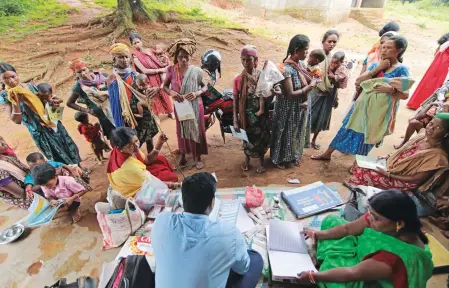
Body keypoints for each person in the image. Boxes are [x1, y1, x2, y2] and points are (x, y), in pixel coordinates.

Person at [297, 190, 433, 287]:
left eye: (376, 218)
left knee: (331, 275)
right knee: (331, 220)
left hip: (364, 273)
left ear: (400, 224)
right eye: (370, 212)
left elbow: (351, 273)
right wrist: (316, 234)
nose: (369, 219)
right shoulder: (386, 221)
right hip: (364, 252)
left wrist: (312, 276)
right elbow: (348, 229)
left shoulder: (395, 258)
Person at [152, 172, 263, 288]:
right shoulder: (229, 235)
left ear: (183, 200)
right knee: (255, 259)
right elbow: (243, 268)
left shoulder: (161, 222)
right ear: (212, 202)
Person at [312, 36, 410, 161]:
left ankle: (357, 163)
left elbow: (405, 94)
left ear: (399, 50)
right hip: (361, 105)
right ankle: (327, 154)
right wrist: (378, 68)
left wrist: (391, 91)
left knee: (367, 135)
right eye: (383, 47)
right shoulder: (375, 65)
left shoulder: (402, 70)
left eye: (388, 48)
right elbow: (359, 80)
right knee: (347, 128)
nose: (384, 50)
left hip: (379, 111)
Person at [0, 62, 81, 165]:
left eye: (13, 76)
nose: (11, 81)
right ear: (1, 80)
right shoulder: (5, 96)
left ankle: (80, 169)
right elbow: (17, 120)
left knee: (68, 146)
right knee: (55, 154)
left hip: (53, 123)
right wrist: (15, 102)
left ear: (17, 74)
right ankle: (70, 175)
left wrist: (53, 102)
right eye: (6, 79)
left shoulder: (31, 87)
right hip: (39, 131)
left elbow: (50, 102)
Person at [347, 114, 449, 191]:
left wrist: (389, 175)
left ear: (446, 134)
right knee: (359, 162)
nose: (431, 128)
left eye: (439, 128)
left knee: (365, 171)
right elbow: (402, 152)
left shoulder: (437, 156)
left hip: (403, 180)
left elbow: (416, 180)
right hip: (392, 167)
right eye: (431, 124)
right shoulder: (422, 136)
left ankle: (359, 191)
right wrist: (387, 157)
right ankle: (361, 185)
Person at [270, 35, 317, 169]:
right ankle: (279, 159)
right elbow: (290, 94)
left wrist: (310, 86)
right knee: (284, 132)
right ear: (297, 50)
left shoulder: (300, 65)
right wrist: (309, 87)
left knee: (295, 133)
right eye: (306, 50)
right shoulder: (287, 69)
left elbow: (306, 81)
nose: (307, 53)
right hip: (287, 108)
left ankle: (292, 156)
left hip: (298, 107)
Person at [163, 38, 209, 169]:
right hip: (180, 105)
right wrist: (171, 92)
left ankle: (197, 157)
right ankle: (183, 154)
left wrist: (196, 93)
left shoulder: (196, 71)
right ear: (176, 57)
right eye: (181, 57)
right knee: (181, 129)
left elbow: (205, 87)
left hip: (195, 105)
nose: (184, 60)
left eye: (186, 57)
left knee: (196, 129)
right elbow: (165, 87)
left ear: (190, 57)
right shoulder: (171, 70)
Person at [107, 43, 159, 151]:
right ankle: (138, 161)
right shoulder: (112, 80)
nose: (125, 60)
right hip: (129, 116)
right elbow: (115, 104)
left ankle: (151, 156)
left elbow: (144, 89)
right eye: (120, 57)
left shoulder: (134, 74)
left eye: (126, 57)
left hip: (142, 112)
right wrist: (120, 125)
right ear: (114, 59)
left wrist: (152, 91)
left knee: (149, 136)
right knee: (133, 141)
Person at [107, 127, 179, 203]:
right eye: (130, 145)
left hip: (138, 175)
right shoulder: (128, 167)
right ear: (119, 148)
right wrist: (175, 185)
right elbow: (152, 183)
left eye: (136, 141)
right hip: (137, 190)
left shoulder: (127, 149)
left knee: (160, 159)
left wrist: (159, 143)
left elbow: (146, 160)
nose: (136, 146)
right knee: (171, 177)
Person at [233, 45, 271, 173]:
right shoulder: (238, 80)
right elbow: (236, 101)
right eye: (243, 60)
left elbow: (267, 94)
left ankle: (260, 161)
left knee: (261, 137)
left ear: (256, 60)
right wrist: (235, 120)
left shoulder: (262, 76)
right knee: (247, 137)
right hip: (246, 116)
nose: (245, 63)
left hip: (261, 115)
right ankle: (247, 159)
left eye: (248, 59)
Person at [309, 48, 349, 149]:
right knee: (311, 116)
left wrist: (336, 99)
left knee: (322, 118)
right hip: (319, 93)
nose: (334, 65)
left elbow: (336, 82)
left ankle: (313, 140)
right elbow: (320, 78)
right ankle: (305, 139)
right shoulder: (325, 64)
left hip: (330, 96)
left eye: (336, 63)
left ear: (341, 62)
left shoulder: (343, 70)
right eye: (333, 62)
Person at [66, 58, 115, 140]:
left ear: (88, 68)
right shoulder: (79, 87)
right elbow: (69, 103)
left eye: (84, 70)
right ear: (75, 73)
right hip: (103, 116)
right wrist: (87, 110)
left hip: (116, 109)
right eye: (79, 72)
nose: (83, 73)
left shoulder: (103, 76)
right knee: (114, 136)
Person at [130, 33, 174, 118]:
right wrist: (160, 69)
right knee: (153, 96)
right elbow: (144, 70)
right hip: (149, 78)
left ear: (141, 41)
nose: (137, 44)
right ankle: (156, 115)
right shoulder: (135, 56)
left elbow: (162, 55)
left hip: (160, 76)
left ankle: (170, 111)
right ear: (132, 45)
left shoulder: (150, 50)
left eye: (138, 42)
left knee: (164, 93)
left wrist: (166, 64)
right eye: (134, 43)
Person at [395, 80, 449, 149]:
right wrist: (430, 105)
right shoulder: (438, 104)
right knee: (413, 122)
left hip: (440, 137)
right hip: (429, 128)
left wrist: (445, 111)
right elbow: (418, 117)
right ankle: (405, 142)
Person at [407, 32, 449, 109]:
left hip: (436, 67)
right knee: (434, 85)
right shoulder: (446, 48)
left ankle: (416, 103)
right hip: (441, 68)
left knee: (428, 84)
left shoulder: (442, 47)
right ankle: (423, 106)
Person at [24, 151, 91, 192]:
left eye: (39, 165)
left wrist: (70, 169)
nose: (37, 168)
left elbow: (61, 164)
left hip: (60, 177)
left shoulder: (50, 163)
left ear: (44, 161)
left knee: (74, 169)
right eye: (33, 167)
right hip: (51, 183)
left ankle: (84, 186)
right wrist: (29, 186)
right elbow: (29, 180)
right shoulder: (32, 172)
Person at [0, 136, 34, 209]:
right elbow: (23, 194)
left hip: (32, 185)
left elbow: (28, 171)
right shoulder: (1, 172)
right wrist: (44, 183)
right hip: (30, 201)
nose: (3, 143)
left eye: (1, 138)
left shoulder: (7, 156)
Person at [133, 74, 160, 153]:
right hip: (138, 122)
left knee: (148, 138)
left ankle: (150, 157)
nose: (141, 86)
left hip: (147, 119)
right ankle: (138, 157)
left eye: (144, 84)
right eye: (140, 85)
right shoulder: (134, 91)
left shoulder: (148, 90)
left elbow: (151, 101)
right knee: (139, 140)